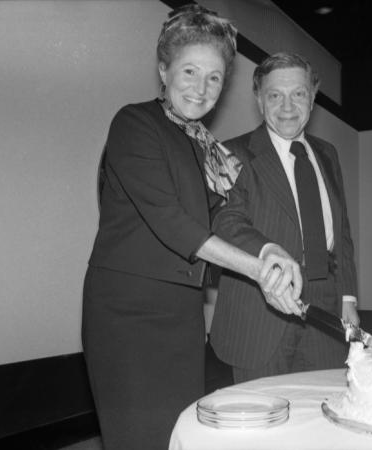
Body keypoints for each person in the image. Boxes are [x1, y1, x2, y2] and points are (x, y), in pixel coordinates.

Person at [82, 7, 302, 450]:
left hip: (182, 314)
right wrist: (258, 272)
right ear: (163, 69)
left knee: (178, 437)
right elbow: (172, 222)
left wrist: (269, 251)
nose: (201, 89)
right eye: (189, 71)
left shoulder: (208, 149)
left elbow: (225, 218)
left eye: (215, 77)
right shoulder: (135, 123)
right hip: (127, 317)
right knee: (139, 440)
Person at [210, 52, 360, 383]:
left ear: (313, 97)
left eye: (298, 94)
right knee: (264, 422)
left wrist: (348, 297)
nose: (288, 107)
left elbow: (342, 232)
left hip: (326, 308)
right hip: (260, 307)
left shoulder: (328, 154)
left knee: (321, 413)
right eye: (275, 95)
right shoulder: (229, 153)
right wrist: (269, 251)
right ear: (259, 101)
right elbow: (225, 222)